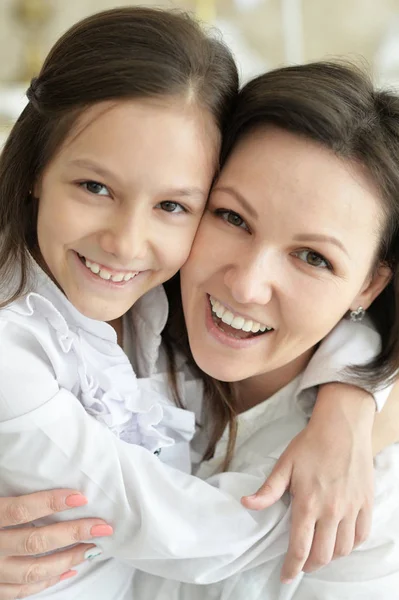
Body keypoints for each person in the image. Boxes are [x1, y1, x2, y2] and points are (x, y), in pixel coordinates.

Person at [0, 6, 395, 598]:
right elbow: (177, 532)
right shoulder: (121, 301)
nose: (246, 286)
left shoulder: (375, 494)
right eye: (232, 217)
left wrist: (357, 403)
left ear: (370, 284)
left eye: (313, 257)